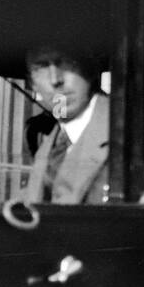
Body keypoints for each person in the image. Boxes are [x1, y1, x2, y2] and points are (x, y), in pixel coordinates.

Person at [20, 45, 110, 204]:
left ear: (90, 70)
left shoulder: (125, 132)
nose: (55, 80)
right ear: (32, 84)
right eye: (42, 67)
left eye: (66, 62)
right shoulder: (49, 143)